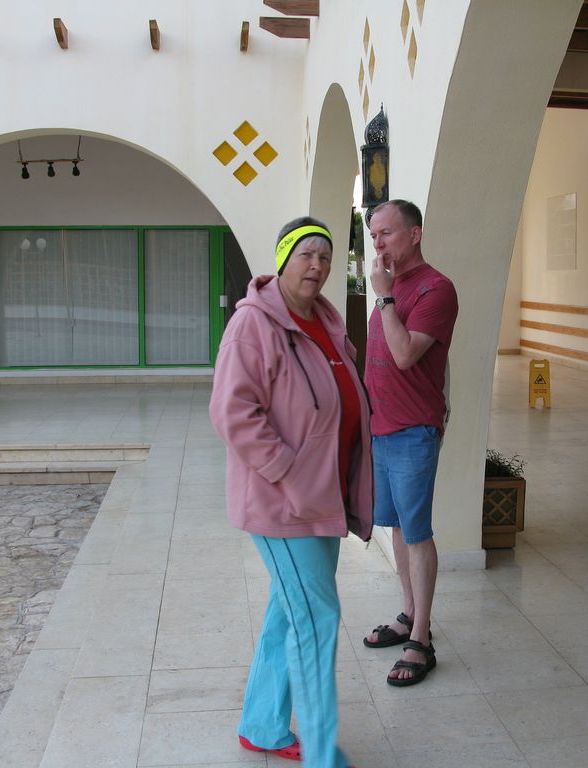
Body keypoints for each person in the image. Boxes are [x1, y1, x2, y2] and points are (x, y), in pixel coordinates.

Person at [209, 216, 371, 768]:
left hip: (324, 497)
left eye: (325, 256)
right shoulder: (254, 324)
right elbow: (232, 410)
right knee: (317, 617)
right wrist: (285, 468)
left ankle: (262, 725)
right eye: (306, 254)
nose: (317, 265)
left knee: (289, 609)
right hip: (281, 503)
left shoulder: (326, 321)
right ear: (283, 260)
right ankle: (323, 752)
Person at [361, 199, 458, 686]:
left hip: (414, 430)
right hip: (381, 427)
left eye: (386, 233)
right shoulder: (391, 285)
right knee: (398, 527)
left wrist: (383, 298)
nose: (377, 244)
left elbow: (403, 355)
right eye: (373, 235)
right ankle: (407, 613)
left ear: (414, 234)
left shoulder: (435, 288)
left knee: (417, 533)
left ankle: (422, 638)